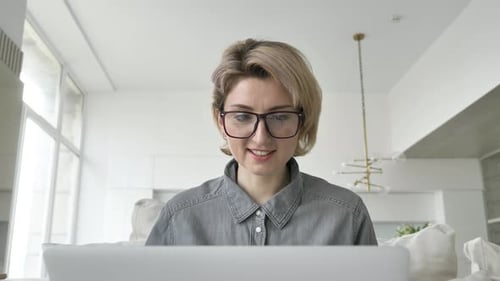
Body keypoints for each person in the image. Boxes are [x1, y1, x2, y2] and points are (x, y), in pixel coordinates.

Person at [146, 39, 377, 245]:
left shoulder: (347, 215)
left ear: (303, 121)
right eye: (243, 116)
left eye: (279, 117)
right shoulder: (179, 217)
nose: (261, 138)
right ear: (220, 121)